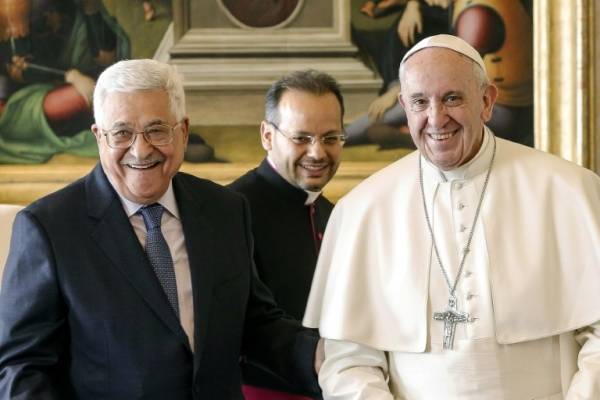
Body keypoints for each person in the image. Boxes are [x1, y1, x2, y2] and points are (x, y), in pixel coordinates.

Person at [0, 59, 322, 399]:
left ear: (183, 131)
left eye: (156, 130)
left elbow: (253, 323)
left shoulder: (225, 210)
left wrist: (322, 354)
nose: (141, 150)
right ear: (98, 137)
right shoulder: (49, 228)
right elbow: (22, 366)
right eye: (122, 133)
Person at [303, 34, 600, 398]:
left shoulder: (567, 189)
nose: (436, 118)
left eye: (452, 98)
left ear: (487, 101)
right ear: (403, 106)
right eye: (419, 102)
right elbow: (347, 362)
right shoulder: (363, 209)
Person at [229, 70, 345, 399]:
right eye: (301, 138)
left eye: (331, 138)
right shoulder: (228, 211)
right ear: (267, 136)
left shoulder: (336, 214)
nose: (317, 153)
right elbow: (243, 324)